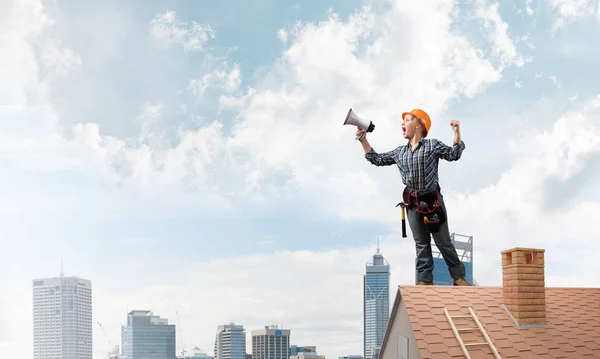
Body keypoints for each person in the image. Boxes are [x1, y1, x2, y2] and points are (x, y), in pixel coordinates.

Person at [355, 108, 471, 286]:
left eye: (407, 120)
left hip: (433, 202)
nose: (403, 123)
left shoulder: (432, 145)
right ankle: (425, 280)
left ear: (419, 125)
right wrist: (363, 139)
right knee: (421, 243)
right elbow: (376, 159)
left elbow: (454, 154)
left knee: (443, 242)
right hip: (413, 203)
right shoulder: (399, 152)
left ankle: (459, 278)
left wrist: (456, 133)